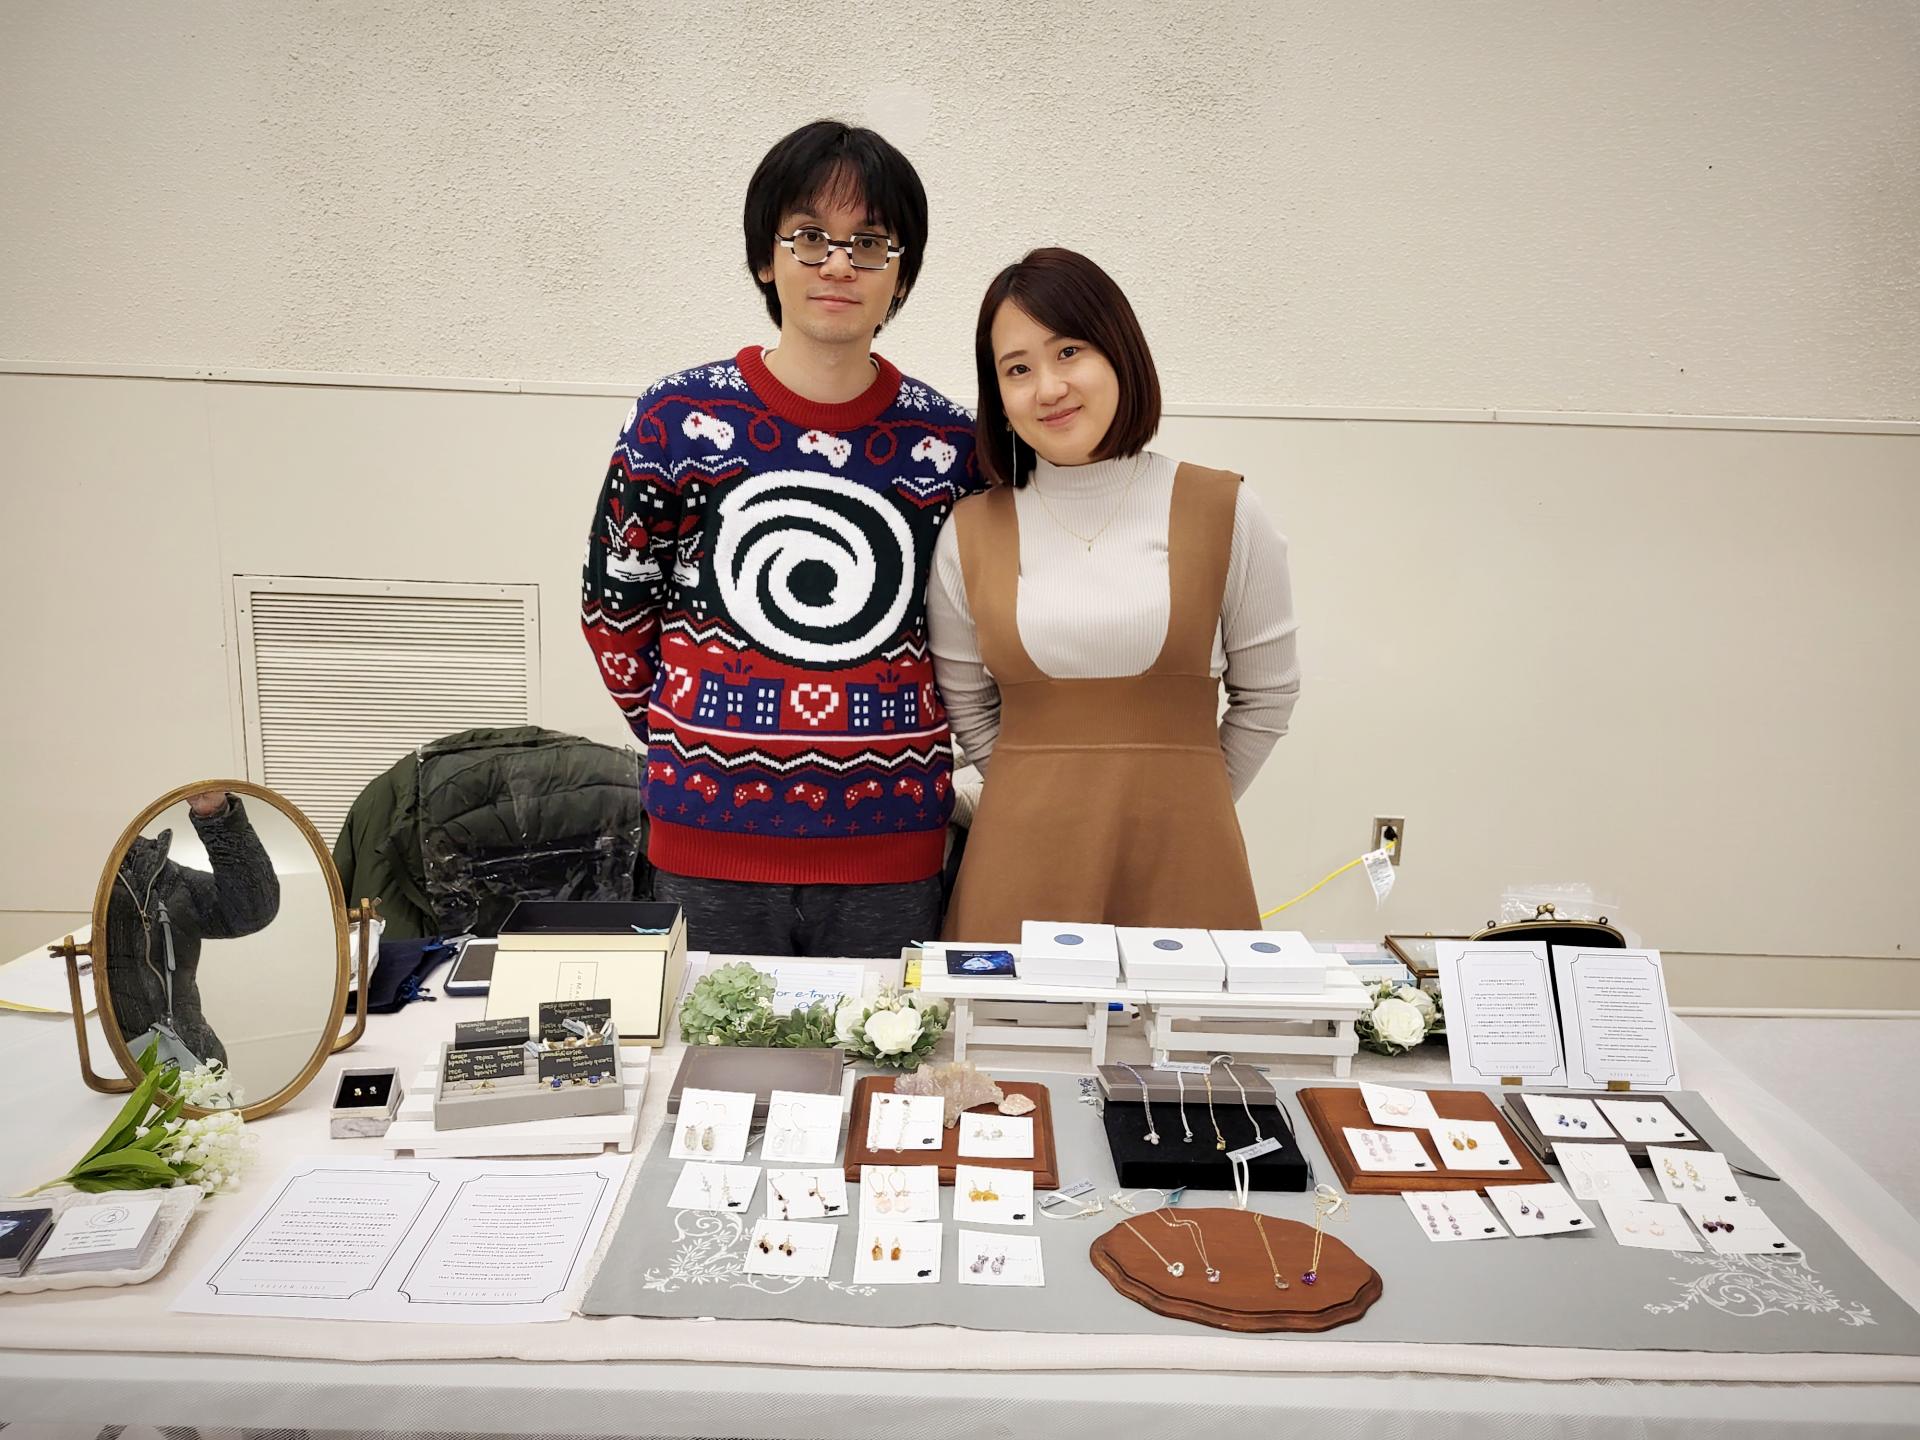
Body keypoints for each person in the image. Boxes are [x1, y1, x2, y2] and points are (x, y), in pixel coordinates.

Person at [582, 121, 978, 958]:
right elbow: (615, 610)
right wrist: (696, 741)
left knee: (884, 1047)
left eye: (869, 243)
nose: (837, 265)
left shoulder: (950, 444)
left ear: (901, 274)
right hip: (704, 843)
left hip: (892, 848)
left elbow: (974, 635)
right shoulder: (675, 419)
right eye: (809, 236)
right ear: (767, 258)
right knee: (705, 1046)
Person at [928, 248, 1301, 939]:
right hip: (1018, 858)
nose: (1048, 387)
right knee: (1005, 1012)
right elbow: (966, 705)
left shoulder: (1223, 508)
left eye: (1069, 351)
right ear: (998, 397)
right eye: (1017, 369)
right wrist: (1032, 796)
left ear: (1120, 353)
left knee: (1187, 1012)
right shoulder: (969, 531)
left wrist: (1192, 798)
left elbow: (1269, 694)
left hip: (1185, 859)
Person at [105, 788, 281, 1067]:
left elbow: (252, 910)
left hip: (191, 1065)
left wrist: (216, 818)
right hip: (101, 1070)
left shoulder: (154, 874)